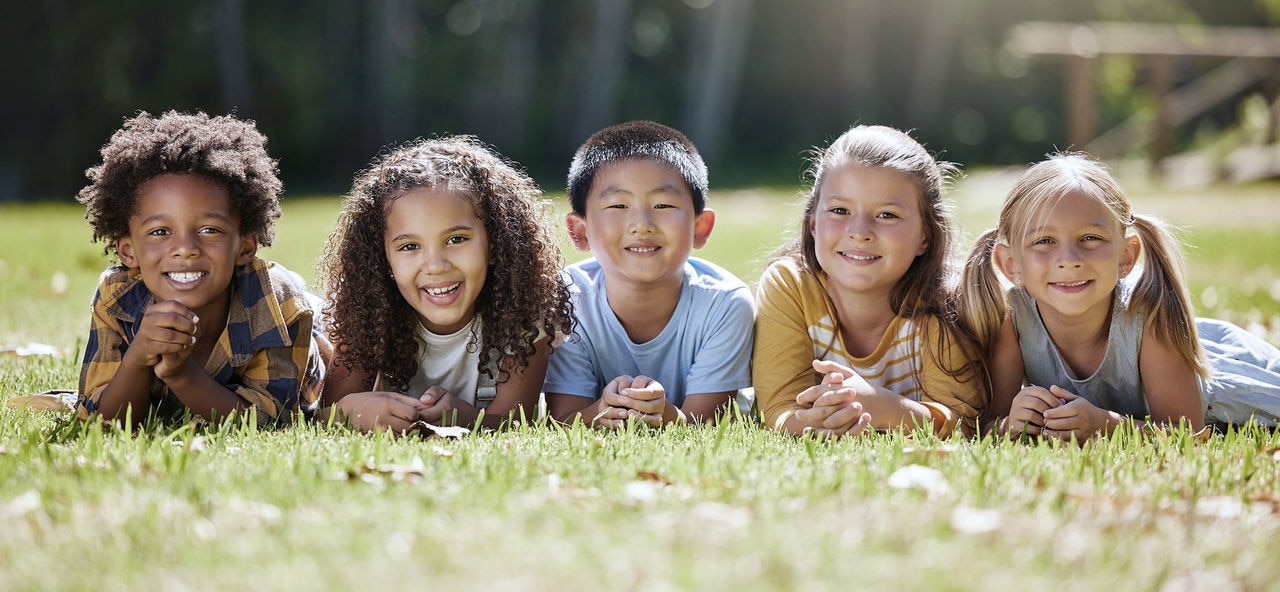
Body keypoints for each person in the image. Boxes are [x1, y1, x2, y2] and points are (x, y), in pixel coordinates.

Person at [962, 152, 1280, 442]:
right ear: (1010, 264)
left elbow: (1190, 435)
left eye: (1090, 238)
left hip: (1228, 387)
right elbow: (988, 425)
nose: (1069, 259)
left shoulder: (1149, 313)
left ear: (1126, 256)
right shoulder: (1012, 320)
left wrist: (1104, 426)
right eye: (1044, 240)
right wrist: (1012, 424)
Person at [76, 110, 326, 426]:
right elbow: (101, 421)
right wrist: (137, 359)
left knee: (332, 336)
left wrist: (182, 375)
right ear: (128, 251)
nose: (184, 248)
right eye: (159, 232)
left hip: (304, 334)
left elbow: (269, 422)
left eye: (209, 230)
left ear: (245, 246)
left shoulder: (277, 303)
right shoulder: (118, 297)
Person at [319, 136, 573, 432]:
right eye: (410, 246)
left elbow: (517, 424)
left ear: (496, 244)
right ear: (382, 259)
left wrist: (463, 416)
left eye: (456, 240)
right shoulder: (364, 313)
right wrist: (351, 411)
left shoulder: (523, 313)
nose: (436, 266)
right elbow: (323, 415)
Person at [753, 125, 985, 439]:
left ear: (925, 237)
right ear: (812, 225)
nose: (860, 231)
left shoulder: (948, 300)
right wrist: (823, 418)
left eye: (887, 215)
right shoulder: (790, 285)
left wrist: (885, 408)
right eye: (839, 210)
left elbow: (962, 422)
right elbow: (778, 410)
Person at [544, 121, 754, 428]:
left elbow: (706, 426)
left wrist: (664, 413)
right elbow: (562, 421)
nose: (641, 224)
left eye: (663, 204)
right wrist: (604, 409)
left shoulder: (725, 304)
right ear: (580, 231)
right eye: (618, 205)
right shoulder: (565, 299)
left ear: (700, 227)